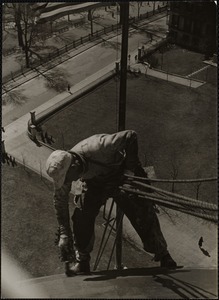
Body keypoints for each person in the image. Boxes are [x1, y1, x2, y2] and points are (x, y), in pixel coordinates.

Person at [46, 130, 177, 275]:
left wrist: (129, 172)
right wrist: (64, 233)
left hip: (121, 173)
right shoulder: (63, 171)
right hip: (94, 182)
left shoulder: (98, 147)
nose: (67, 182)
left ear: (74, 165)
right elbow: (59, 201)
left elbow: (130, 136)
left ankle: (163, 254)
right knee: (82, 216)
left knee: (142, 211)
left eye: (67, 178)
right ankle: (82, 261)